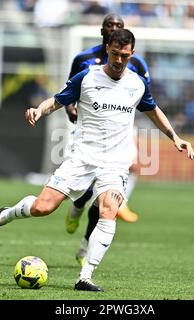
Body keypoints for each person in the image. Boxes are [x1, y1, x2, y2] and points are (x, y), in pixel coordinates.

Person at [0, 29, 194, 292]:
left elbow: (153, 110)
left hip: (115, 162)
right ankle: (5, 215)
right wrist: (38, 111)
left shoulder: (137, 84)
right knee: (43, 208)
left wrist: (175, 137)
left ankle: (85, 276)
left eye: (125, 55)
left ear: (131, 54)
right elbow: (56, 101)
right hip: (83, 157)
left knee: (108, 210)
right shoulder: (87, 77)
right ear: (107, 50)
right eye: (114, 54)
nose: (119, 60)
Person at [64, 13, 150, 265]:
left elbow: (144, 98)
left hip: (120, 134)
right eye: (110, 26)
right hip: (87, 133)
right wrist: (70, 108)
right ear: (102, 30)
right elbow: (69, 90)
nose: (114, 28)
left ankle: (84, 248)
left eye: (118, 26)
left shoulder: (137, 64)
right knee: (84, 191)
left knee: (104, 199)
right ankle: (75, 209)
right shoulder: (83, 59)